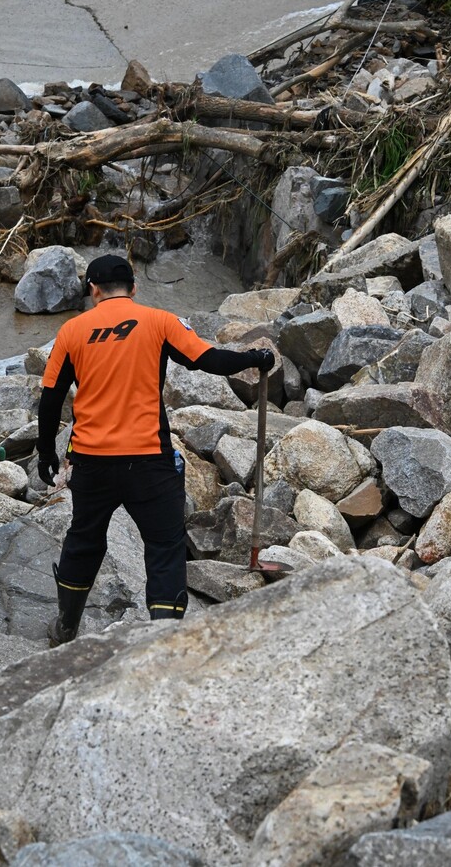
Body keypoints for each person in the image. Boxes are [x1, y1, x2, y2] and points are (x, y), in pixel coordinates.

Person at [36, 254, 275, 645]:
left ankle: (66, 626)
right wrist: (255, 358)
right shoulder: (160, 321)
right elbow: (208, 359)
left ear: (93, 290)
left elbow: (50, 399)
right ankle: (162, 642)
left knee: (84, 540)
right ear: (134, 288)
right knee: (164, 547)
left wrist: (46, 452)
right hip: (150, 461)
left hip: (92, 462)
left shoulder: (71, 331)